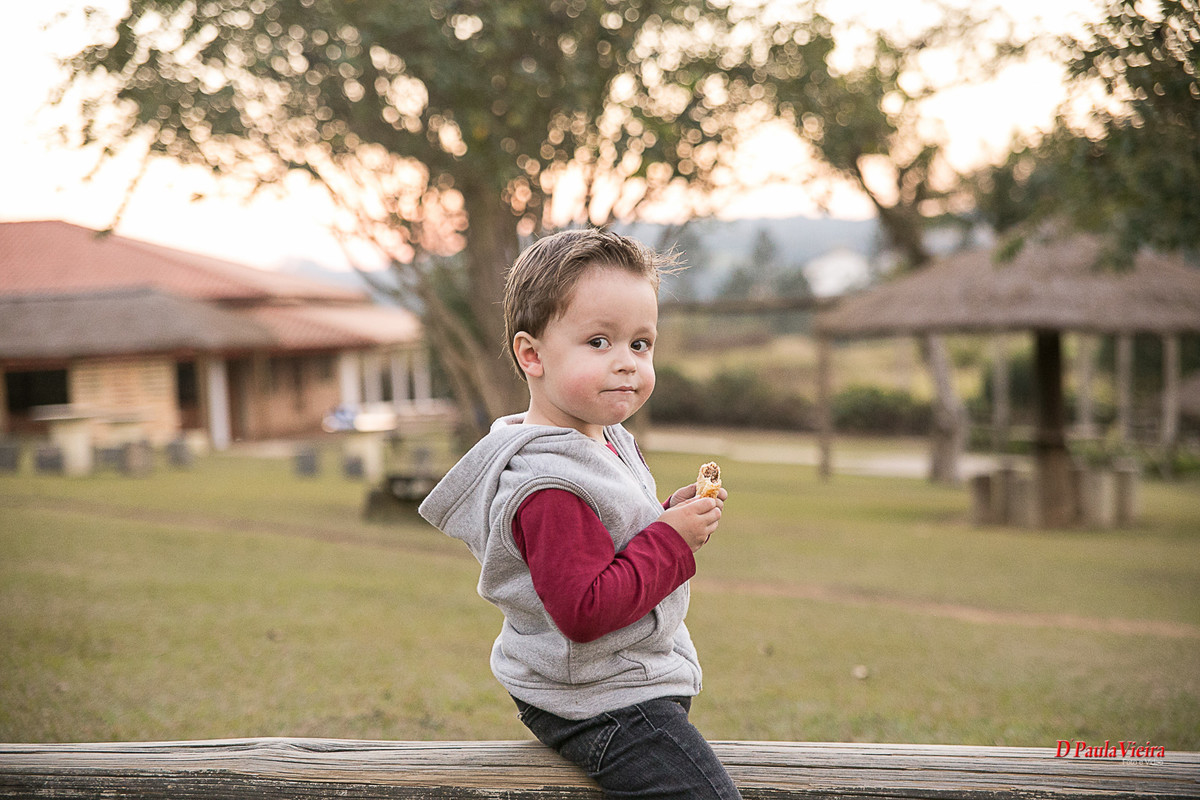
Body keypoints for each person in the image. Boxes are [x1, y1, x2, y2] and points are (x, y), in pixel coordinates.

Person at [419, 228, 741, 799]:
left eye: (641, 344)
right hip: (598, 705)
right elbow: (584, 610)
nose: (626, 364)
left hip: (615, 686)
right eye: (599, 342)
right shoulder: (549, 485)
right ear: (531, 354)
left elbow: (611, 539)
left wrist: (666, 515)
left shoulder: (606, 438)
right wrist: (670, 541)